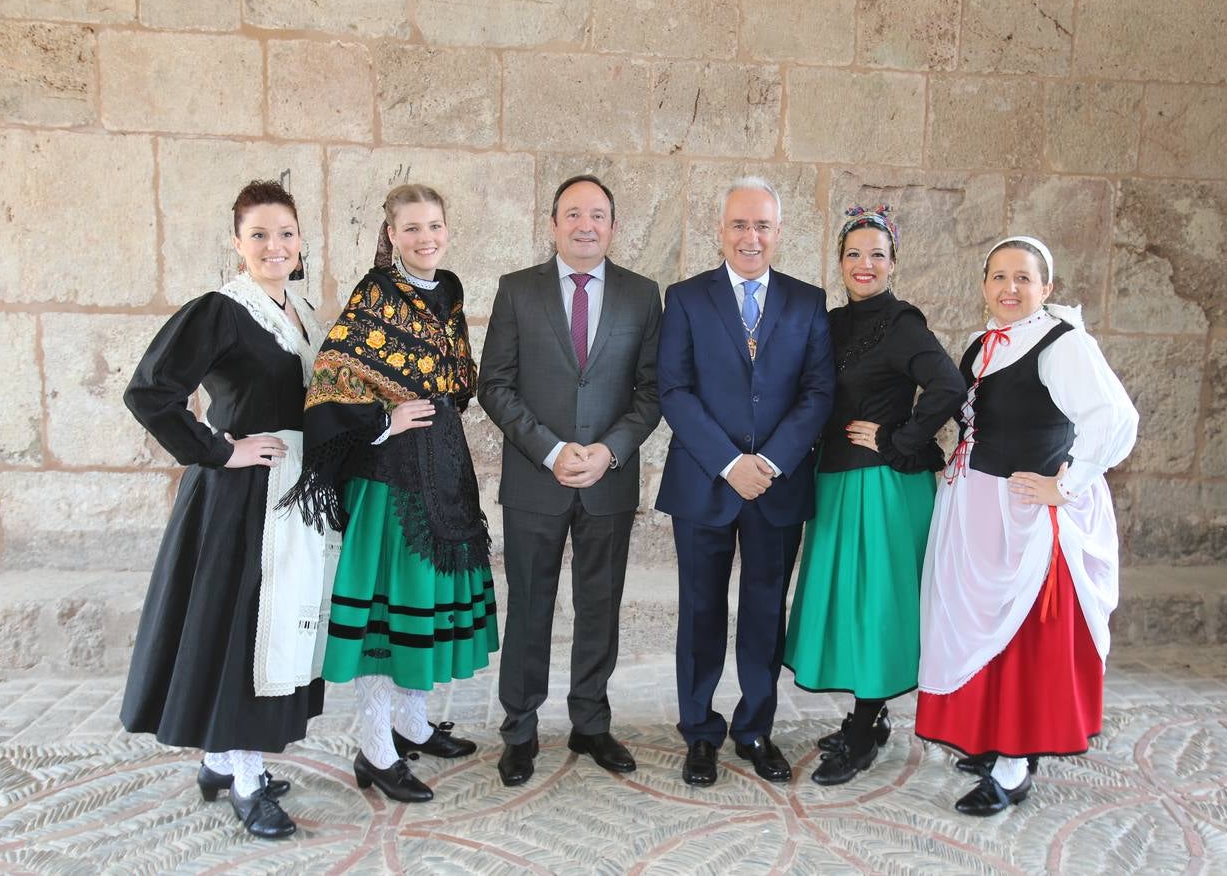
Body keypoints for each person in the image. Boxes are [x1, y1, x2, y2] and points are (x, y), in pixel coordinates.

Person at [121, 180, 327, 839]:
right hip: (241, 500)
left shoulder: (302, 309)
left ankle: (221, 758)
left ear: (300, 242)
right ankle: (245, 781)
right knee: (239, 636)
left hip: (294, 496)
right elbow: (151, 392)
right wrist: (217, 450)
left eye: (286, 233)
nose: (275, 245)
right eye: (260, 234)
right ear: (237, 243)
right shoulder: (220, 309)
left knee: (273, 634)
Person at [282, 184, 497, 803]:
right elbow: (333, 375)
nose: (426, 238)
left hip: (444, 466)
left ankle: (412, 723)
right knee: (389, 605)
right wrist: (383, 420)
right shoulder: (375, 294)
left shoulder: (449, 289)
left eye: (434, 225)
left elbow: (457, 379)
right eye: (412, 229)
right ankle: (376, 750)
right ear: (391, 235)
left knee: (423, 600)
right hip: (389, 477)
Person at [915, 236, 1138, 816]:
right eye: (998, 277)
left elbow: (1113, 418)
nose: (1009, 288)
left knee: (1020, 634)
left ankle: (1015, 764)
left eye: (1022, 278)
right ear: (984, 284)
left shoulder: (1064, 345)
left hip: (1027, 517)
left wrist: (1065, 486)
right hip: (975, 508)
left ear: (1047, 288)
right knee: (976, 622)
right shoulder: (981, 342)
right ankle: (992, 737)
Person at [477, 174, 662, 786]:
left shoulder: (642, 295)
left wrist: (608, 451)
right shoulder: (517, 291)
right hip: (536, 480)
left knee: (599, 604)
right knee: (529, 604)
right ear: (553, 223)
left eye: (599, 214)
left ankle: (590, 721)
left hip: (608, 480)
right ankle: (520, 730)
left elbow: (652, 390)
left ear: (613, 225)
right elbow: (494, 385)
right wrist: (550, 450)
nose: (587, 225)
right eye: (574, 214)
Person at [656, 176, 835, 787]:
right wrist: (731, 463)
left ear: (779, 233)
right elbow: (673, 389)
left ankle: (755, 728)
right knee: (701, 612)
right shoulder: (684, 298)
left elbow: (818, 393)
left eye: (762, 225)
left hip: (777, 487)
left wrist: (774, 461)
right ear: (721, 230)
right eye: (739, 224)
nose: (750, 236)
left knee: (765, 612)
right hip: (706, 482)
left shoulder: (809, 303)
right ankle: (699, 732)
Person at [782, 205, 965, 786]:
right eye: (854, 254)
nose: (865, 265)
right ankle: (871, 716)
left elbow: (949, 386)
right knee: (847, 602)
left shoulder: (902, 324)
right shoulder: (831, 322)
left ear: (893, 264)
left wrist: (898, 438)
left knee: (874, 604)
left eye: (877, 255)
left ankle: (863, 732)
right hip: (836, 481)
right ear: (840, 261)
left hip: (881, 487)